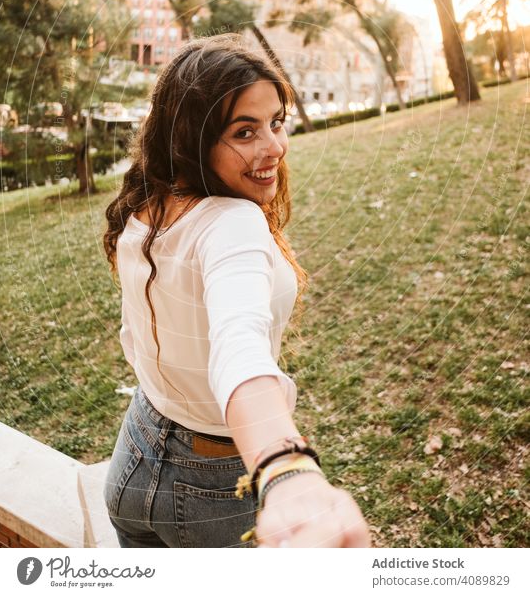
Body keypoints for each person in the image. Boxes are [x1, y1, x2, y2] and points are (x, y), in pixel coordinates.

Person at [103, 34, 369, 548]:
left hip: (134, 456)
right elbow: (239, 345)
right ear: (191, 138)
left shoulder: (142, 209)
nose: (274, 147)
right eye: (245, 132)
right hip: (214, 489)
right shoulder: (233, 221)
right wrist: (284, 468)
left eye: (275, 121)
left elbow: (134, 339)